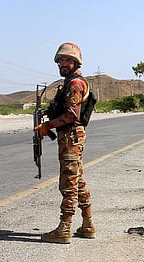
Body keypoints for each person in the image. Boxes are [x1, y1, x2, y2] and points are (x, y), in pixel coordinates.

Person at [34, 42, 95, 244]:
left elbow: (71, 115)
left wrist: (47, 126)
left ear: (76, 62)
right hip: (70, 137)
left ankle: (65, 228)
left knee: (68, 183)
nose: (63, 63)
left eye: (68, 60)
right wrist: (47, 115)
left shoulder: (75, 84)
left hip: (71, 137)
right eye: (60, 60)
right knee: (77, 180)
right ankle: (87, 224)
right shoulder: (69, 83)